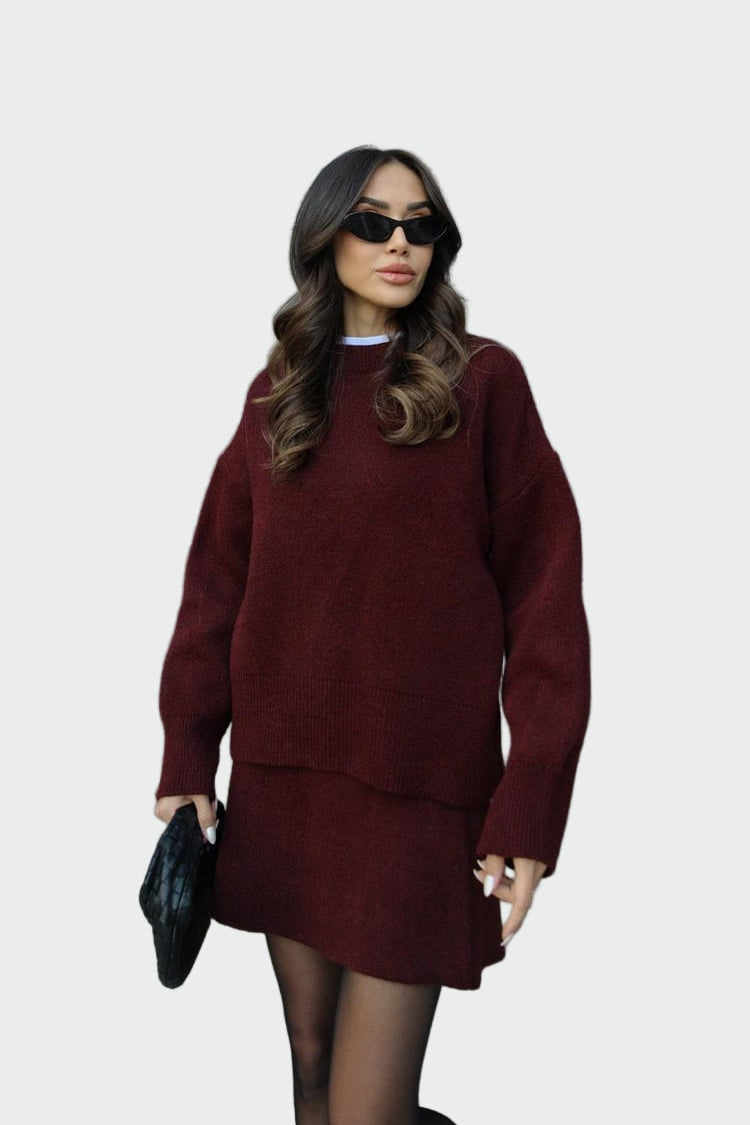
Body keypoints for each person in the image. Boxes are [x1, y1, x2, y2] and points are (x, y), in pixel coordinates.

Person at [152, 145, 591, 1125]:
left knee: (364, 1111)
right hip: (284, 793)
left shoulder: (483, 384)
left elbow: (547, 604)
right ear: (324, 237)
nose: (401, 242)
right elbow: (214, 587)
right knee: (311, 1074)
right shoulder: (279, 396)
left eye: (421, 224)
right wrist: (188, 752)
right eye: (374, 221)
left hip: (418, 800)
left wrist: (531, 800)